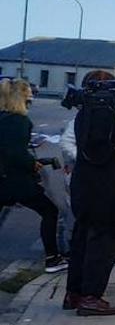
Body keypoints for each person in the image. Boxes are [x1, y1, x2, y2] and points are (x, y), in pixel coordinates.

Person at [61, 72, 115, 315]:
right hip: (106, 189)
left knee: (82, 240)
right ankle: (91, 297)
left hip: (84, 187)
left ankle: (74, 293)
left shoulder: (84, 115)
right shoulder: (105, 116)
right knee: (103, 243)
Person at [0, 78, 68, 273]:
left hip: (3, 179)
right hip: (16, 181)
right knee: (49, 211)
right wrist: (32, 163)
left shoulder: (3, 118)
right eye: (29, 94)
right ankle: (52, 259)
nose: (32, 96)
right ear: (21, 97)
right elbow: (16, 153)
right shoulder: (19, 121)